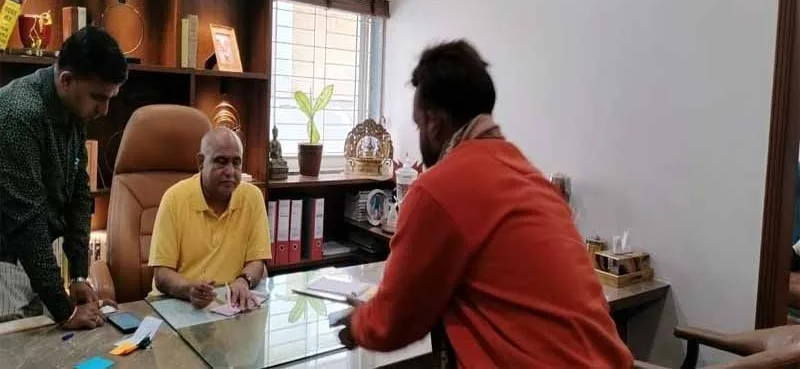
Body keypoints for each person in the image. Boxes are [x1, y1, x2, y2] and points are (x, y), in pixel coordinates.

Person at [336, 40, 633, 368]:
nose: (420, 136)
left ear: (433, 122)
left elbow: (392, 322)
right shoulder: (531, 178)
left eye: (418, 124)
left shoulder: (439, 188)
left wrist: (357, 324)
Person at [0, 26, 127, 329]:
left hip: (35, 257)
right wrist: (65, 311)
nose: (104, 110)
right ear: (66, 80)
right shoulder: (18, 113)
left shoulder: (73, 108)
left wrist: (79, 276)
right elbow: (26, 221)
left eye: (110, 98)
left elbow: (79, 194)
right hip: (6, 259)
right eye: (98, 97)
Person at [148, 127, 271, 310]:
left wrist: (243, 281)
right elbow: (162, 274)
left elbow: (257, 261)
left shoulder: (252, 197)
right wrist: (189, 289)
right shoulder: (174, 199)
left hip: (230, 305)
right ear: (201, 162)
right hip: (177, 303)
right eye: (221, 161)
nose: (230, 171)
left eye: (236, 162)